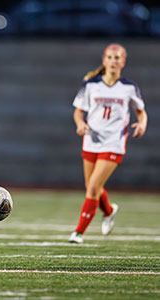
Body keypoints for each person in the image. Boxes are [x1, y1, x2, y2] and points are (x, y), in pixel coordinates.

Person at [69, 44, 148, 244]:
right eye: (110, 57)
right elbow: (78, 111)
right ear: (104, 60)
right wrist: (80, 124)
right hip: (91, 140)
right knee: (92, 186)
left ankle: (78, 233)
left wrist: (142, 124)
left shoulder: (129, 87)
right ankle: (109, 211)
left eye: (117, 58)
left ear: (123, 62)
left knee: (94, 186)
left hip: (114, 142)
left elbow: (141, 111)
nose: (113, 61)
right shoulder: (90, 85)